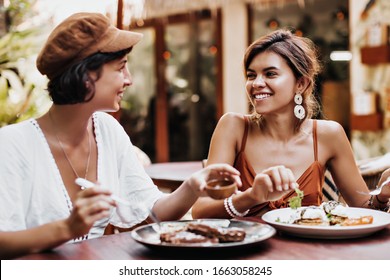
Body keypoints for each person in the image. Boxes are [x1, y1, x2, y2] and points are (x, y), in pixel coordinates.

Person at [0, 12, 242, 259]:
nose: (130, 80)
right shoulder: (12, 145)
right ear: (86, 77)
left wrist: (192, 185)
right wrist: (67, 228)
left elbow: (153, 212)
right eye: (121, 67)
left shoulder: (106, 130)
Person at [192, 29, 390, 219]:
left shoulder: (329, 135)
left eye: (270, 74)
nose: (256, 83)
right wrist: (251, 197)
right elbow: (201, 210)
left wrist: (381, 196)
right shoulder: (233, 127)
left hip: (308, 251)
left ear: (301, 84)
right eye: (251, 75)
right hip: (247, 250)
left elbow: (364, 208)